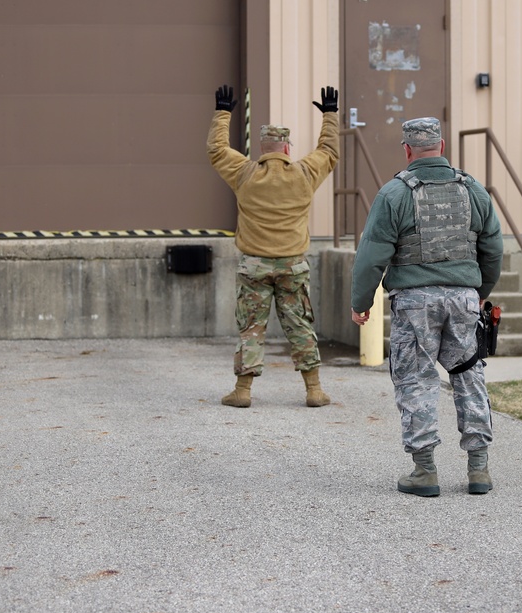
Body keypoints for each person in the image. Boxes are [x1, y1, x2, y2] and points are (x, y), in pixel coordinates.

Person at [350, 117, 503, 497]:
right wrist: (480, 290)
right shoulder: (474, 191)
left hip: (415, 302)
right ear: (443, 145)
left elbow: (371, 256)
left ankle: (424, 472)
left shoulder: (394, 193)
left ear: (406, 149)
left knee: (416, 379)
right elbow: (493, 247)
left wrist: (361, 302)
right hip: (464, 298)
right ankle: (479, 469)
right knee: (469, 376)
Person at [207, 84, 340, 408]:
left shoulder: (245, 173)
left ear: (263, 148)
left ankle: (243, 390)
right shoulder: (304, 173)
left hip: (254, 265)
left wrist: (222, 113)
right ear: (287, 149)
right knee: (299, 324)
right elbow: (330, 151)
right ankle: (314, 390)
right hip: (292, 265)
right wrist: (330, 115)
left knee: (252, 326)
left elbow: (216, 151)